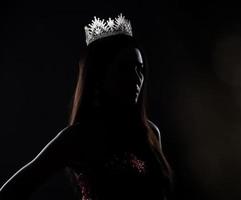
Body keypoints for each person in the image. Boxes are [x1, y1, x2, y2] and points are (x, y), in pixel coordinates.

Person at [0, 12, 174, 200]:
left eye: (139, 69)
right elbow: (14, 190)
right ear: (100, 76)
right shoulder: (80, 136)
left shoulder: (149, 133)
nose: (136, 79)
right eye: (124, 68)